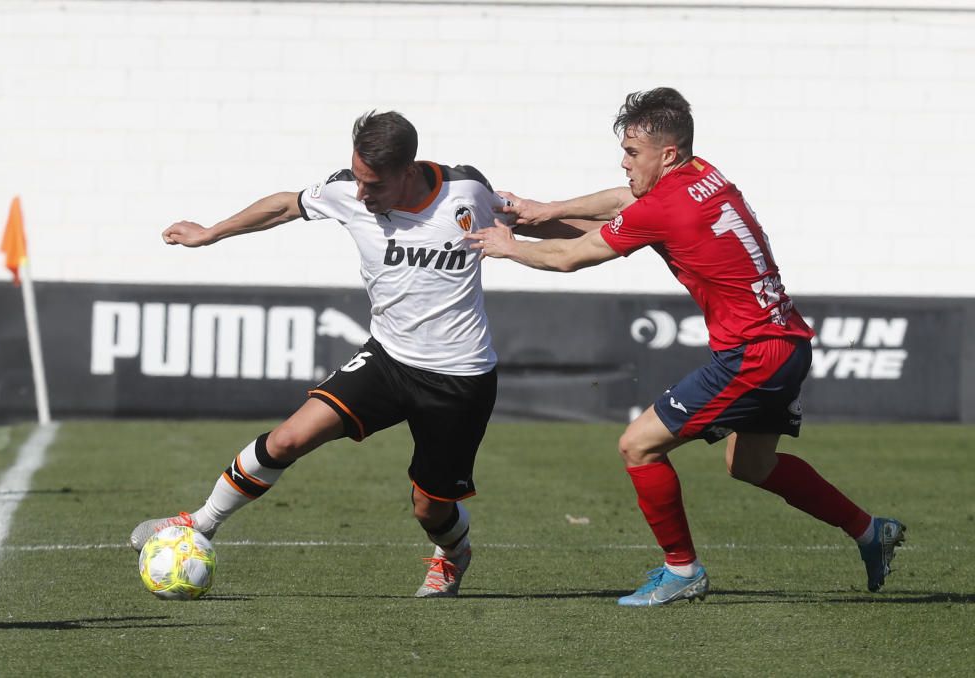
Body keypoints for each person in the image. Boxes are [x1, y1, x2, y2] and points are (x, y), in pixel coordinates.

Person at [467, 87, 906, 606]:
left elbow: (572, 256)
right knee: (750, 465)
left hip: (755, 355)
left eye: (632, 153)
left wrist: (509, 247)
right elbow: (622, 205)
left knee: (638, 444)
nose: (623, 162)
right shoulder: (704, 176)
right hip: (786, 342)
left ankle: (683, 569)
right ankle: (868, 530)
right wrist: (545, 211)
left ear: (667, 155)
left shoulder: (667, 206)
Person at [131, 111, 514, 597]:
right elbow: (282, 206)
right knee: (289, 438)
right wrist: (212, 233)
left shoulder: (468, 192)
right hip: (389, 359)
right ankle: (202, 522)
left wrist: (610, 237)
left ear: (408, 171)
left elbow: (535, 219)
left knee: (429, 508)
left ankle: (453, 555)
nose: (360, 193)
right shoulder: (348, 192)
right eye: (356, 177)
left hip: (460, 378)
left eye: (372, 183)